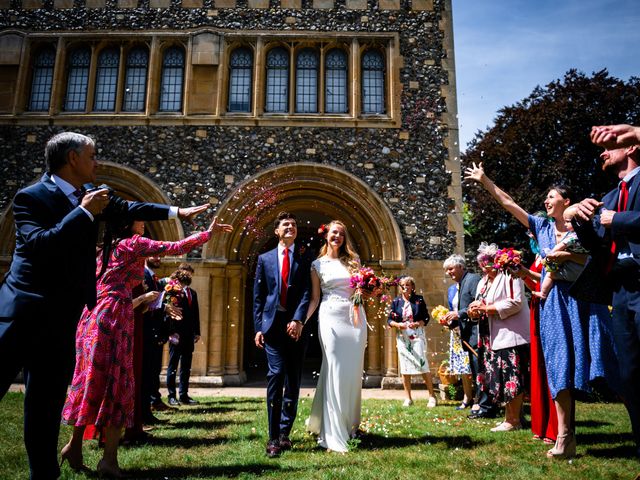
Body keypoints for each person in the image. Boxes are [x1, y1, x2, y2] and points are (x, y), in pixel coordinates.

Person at [0, 131, 209, 479]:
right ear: (72, 159)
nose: (97, 161)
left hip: (63, 318)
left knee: (45, 408)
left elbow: (128, 208)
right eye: (92, 155)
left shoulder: (91, 197)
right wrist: (82, 214)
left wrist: (177, 210)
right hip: (23, 312)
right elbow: (38, 246)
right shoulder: (31, 197)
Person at [465, 162, 618, 459]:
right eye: (546, 198)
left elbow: (599, 260)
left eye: (551, 197)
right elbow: (509, 203)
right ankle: (564, 438)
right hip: (555, 306)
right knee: (559, 367)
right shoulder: (542, 228)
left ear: (567, 202)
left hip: (586, 301)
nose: (546, 201)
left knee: (607, 363)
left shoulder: (586, 227)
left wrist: (565, 252)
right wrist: (484, 180)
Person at [60, 215, 230, 477]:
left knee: (91, 381)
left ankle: (75, 446)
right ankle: (108, 461)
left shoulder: (104, 247)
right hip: (115, 316)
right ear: (129, 223)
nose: (144, 224)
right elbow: (175, 247)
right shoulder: (132, 244)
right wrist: (208, 234)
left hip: (91, 315)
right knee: (118, 383)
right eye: (140, 219)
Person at [568, 137, 640, 458]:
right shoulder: (609, 197)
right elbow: (598, 244)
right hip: (621, 293)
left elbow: (615, 223)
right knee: (629, 379)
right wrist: (578, 219)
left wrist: (618, 219)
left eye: (611, 145)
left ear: (633, 147)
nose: (603, 151)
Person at [304, 220, 367, 453]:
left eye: (341, 233)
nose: (337, 237)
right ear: (326, 235)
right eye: (333, 233)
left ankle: (350, 424)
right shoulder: (317, 265)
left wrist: (367, 289)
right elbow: (314, 298)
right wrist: (301, 321)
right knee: (334, 369)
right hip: (331, 318)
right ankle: (331, 432)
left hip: (355, 319)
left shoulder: (354, 261)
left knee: (351, 373)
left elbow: (360, 290)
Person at [253, 212, 311, 458]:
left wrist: (298, 319)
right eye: (286, 224)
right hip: (272, 327)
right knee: (276, 375)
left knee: (293, 381)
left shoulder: (306, 255)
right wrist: (258, 326)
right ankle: (273, 437)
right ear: (276, 231)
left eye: (294, 224)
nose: (291, 227)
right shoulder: (264, 259)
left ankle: (285, 433)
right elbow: (258, 296)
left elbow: (308, 291)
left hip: (296, 328)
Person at [468, 242, 530, 432]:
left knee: (512, 377)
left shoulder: (510, 275)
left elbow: (516, 303)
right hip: (489, 336)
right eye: (482, 262)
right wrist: (474, 311)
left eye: (489, 261)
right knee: (499, 378)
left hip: (510, 334)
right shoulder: (483, 281)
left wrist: (486, 309)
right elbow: (481, 302)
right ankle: (512, 418)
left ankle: (513, 421)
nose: (485, 266)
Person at [517, 247, 558, 445]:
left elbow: (548, 278)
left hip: (549, 306)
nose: (531, 239)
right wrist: (522, 274)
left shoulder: (552, 252)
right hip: (536, 308)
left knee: (551, 368)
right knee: (538, 368)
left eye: (532, 236)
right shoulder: (537, 256)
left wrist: (524, 271)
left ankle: (555, 428)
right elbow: (534, 282)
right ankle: (541, 425)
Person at [387, 276, 436, 408]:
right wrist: (398, 325)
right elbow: (389, 320)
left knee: (423, 363)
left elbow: (426, 317)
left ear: (412, 287)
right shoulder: (396, 301)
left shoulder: (418, 300)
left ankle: (432, 396)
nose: (405, 287)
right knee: (404, 367)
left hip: (417, 335)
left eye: (408, 284)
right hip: (402, 337)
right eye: (403, 285)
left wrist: (418, 323)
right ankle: (408, 398)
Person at [442, 254, 481, 411]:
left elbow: (477, 304)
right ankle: (473, 399)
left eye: (450, 269)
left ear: (460, 266)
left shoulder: (473, 279)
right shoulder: (454, 287)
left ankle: (479, 401)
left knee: (478, 367)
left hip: (475, 331)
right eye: (446, 270)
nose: (448, 273)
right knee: (470, 367)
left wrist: (458, 314)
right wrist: (449, 320)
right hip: (462, 333)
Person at [166, 265, 201, 406]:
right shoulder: (172, 292)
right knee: (173, 364)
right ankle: (171, 395)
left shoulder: (193, 293)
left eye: (190, 273)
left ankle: (184, 395)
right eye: (187, 273)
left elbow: (195, 314)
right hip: (176, 333)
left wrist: (197, 332)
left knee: (186, 366)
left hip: (188, 334)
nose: (189, 275)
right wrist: (170, 331)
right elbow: (168, 313)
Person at [534, 211, 588, 299]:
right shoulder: (586, 235)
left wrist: (550, 254)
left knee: (550, 274)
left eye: (567, 221)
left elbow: (560, 246)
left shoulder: (572, 236)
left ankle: (543, 293)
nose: (565, 224)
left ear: (577, 222)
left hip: (572, 271)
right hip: (582, 270)